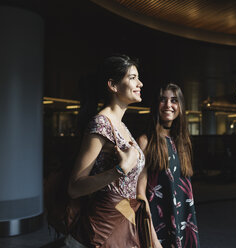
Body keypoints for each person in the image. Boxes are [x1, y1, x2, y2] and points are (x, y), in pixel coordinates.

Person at [66, 54, 160, 247]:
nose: (140, 83)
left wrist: (150, 237)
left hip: (123, 219)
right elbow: (74, 188)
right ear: (113, 85)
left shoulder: (122, 126)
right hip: (101, 229)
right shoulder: (101, 124)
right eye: (132, 77)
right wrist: (119, 170)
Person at [137, 83, 200, 248]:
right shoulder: (145, 141)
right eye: (163, 100)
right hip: (157, 227)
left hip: (183, 224)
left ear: (180, 106)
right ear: (156, 105)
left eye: (174, 100)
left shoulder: (182, 143)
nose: (168, 105)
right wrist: (153, 239)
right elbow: (139, 194)